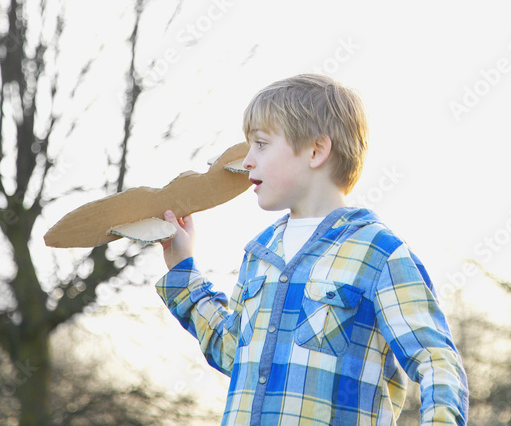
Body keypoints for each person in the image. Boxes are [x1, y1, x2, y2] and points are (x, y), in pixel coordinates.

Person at [156, 74, 469, 425]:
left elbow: (437, 363)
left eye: (261, 144)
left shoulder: (379, 253)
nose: (246, 161)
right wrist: (182, 270)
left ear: (317, 150)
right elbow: (232, 352)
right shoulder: (259, 254)